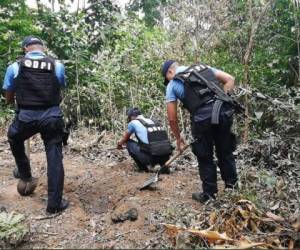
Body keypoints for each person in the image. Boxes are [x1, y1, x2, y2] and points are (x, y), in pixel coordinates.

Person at [2, 36, 68, 213]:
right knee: (54, 157)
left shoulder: (15, 66)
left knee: (14, 136)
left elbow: (9, 92)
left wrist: (11, 100)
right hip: (52, 117)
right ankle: (54, 205)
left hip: (26, 117)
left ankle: (25, 175)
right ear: (43, 48)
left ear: (25, 49)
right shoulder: (56, 65)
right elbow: (60, 85)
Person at [161, 60, 238, 203]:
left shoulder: (172, 84)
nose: (169, 81)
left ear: (170, 73)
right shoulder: (204, 67)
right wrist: (222, 100)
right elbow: (230, 79)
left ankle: (209, 196)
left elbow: (172, 118)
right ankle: (232, 190)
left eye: (167, 78)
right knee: (225, 152)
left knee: (205, 156)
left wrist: (178, 138)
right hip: (223, 113)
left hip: (203, 120)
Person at [117, 107, 173, 174]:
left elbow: (124, 138)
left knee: (128, 142)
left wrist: (119, 144)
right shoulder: (152, 121)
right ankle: (164, 166)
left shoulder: (133, 123)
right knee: (154, 145)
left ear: (131, 117)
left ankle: (143, 169)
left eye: (129, 118)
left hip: (152, 158)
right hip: (166, 156)